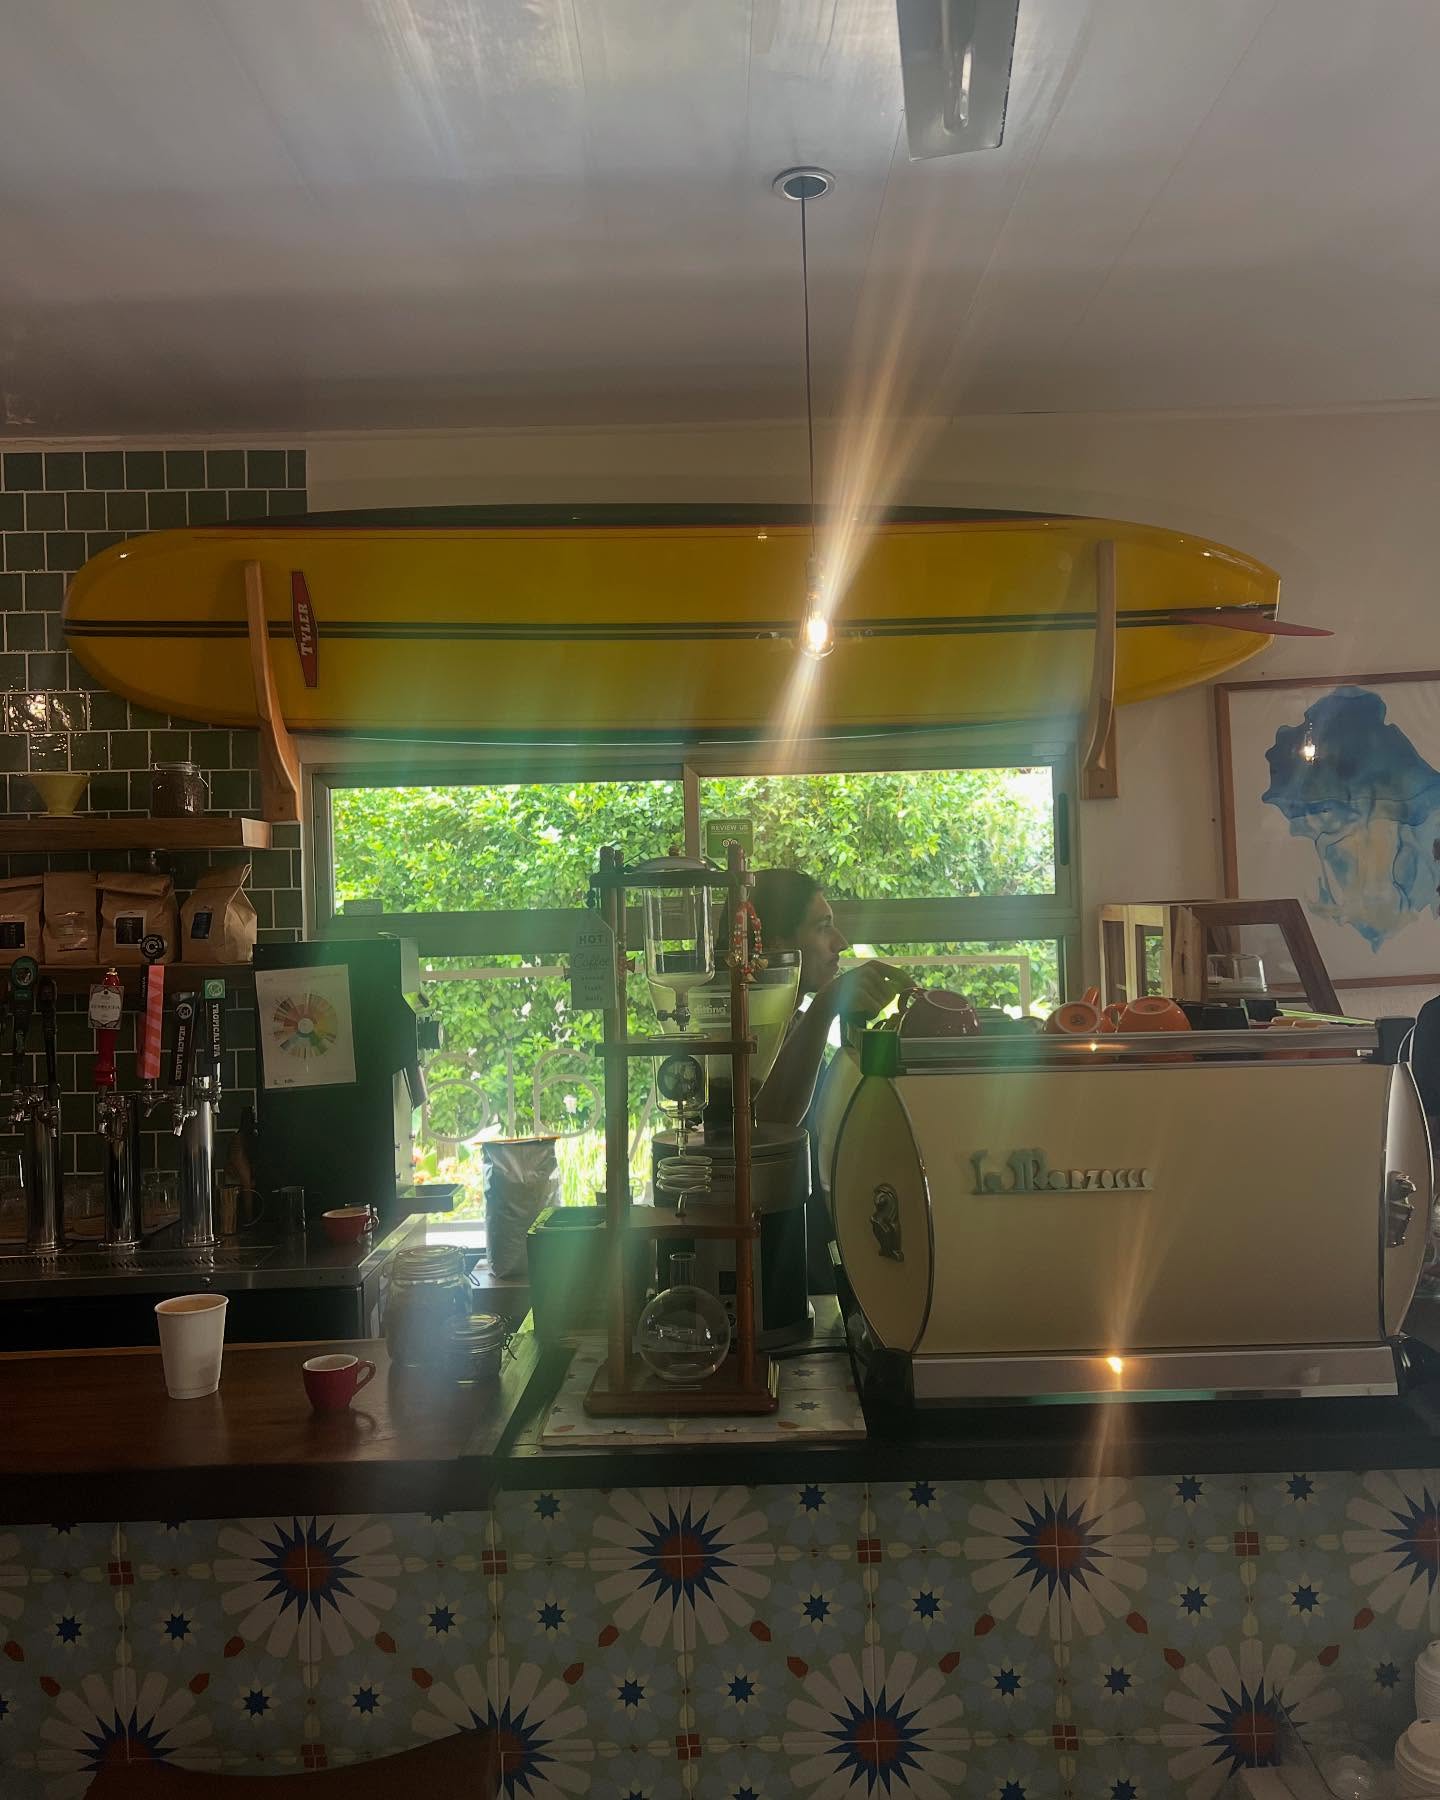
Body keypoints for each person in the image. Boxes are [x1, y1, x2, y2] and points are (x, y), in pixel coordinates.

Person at [748, 868, 909, 1125]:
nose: (841, 942)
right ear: (776, 947)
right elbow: (769, 1128)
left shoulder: (796, 1025)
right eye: (823, 927)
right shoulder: (741, 1040)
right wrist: (826, 1004)